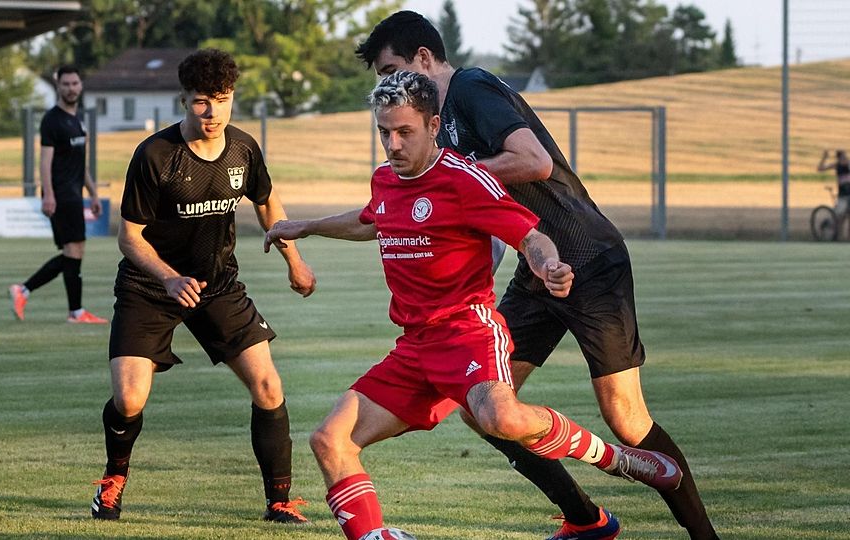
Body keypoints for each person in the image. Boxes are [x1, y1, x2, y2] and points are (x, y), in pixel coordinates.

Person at [265, 71, 682, 540]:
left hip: (467, 332)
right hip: (414, 348)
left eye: (405, 132)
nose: (393, 144)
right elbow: (372, 220)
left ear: (434, 125)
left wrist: (548, 266)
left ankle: (613, 459)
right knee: (329, 440)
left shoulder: (466, 180)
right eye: (384, 132)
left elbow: (530, 235)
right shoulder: (386, 180)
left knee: (500, 418)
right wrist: (306, 226)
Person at [354, 11, 719, 540]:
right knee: (483, 410)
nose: (391, 85)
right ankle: (586, 520)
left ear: (426, 59)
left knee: (626, 419)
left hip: (587, 260)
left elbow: (534, 161)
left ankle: (705, 536)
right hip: (538, 271)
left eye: (393, 69)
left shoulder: (472, 88)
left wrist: (449, 181)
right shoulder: (436, 121)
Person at [89, 49, 316, 524]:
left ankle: (279, 501)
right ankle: (111, 483)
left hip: (218, 285)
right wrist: (168, 277)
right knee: (130, 399)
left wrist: (295, 260)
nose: (212, 113)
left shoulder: (243, 149)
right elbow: (129, 237)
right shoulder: (155, 155)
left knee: (269, 386)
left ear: (233, 98)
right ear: (184, 99)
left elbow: (267, 201)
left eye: (222, 100)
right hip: (150, 286)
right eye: (200, 102)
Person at [8, 65, 108, 324]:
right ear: (58, 86)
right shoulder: (52, 120)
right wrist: (48, 195)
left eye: (75, 83)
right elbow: (45, 162)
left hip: (74, 194)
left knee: (73, 251)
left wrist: (94, 194)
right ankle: (71, 310)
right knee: (73, 250)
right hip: (62, 194)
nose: (71, 88)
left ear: (80, 86)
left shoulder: (77, 121)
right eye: (66, 84)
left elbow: (81, 164)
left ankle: (31, 293)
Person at [817, 149, 850, 225]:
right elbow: (820, 168)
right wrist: (824, 158)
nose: (845, 159)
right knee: (839, 214)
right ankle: (828, 224)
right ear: (839, 158)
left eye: (845, 157)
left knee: (844, 216)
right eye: (843, 157)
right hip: (843, 195)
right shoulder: (837, 165)